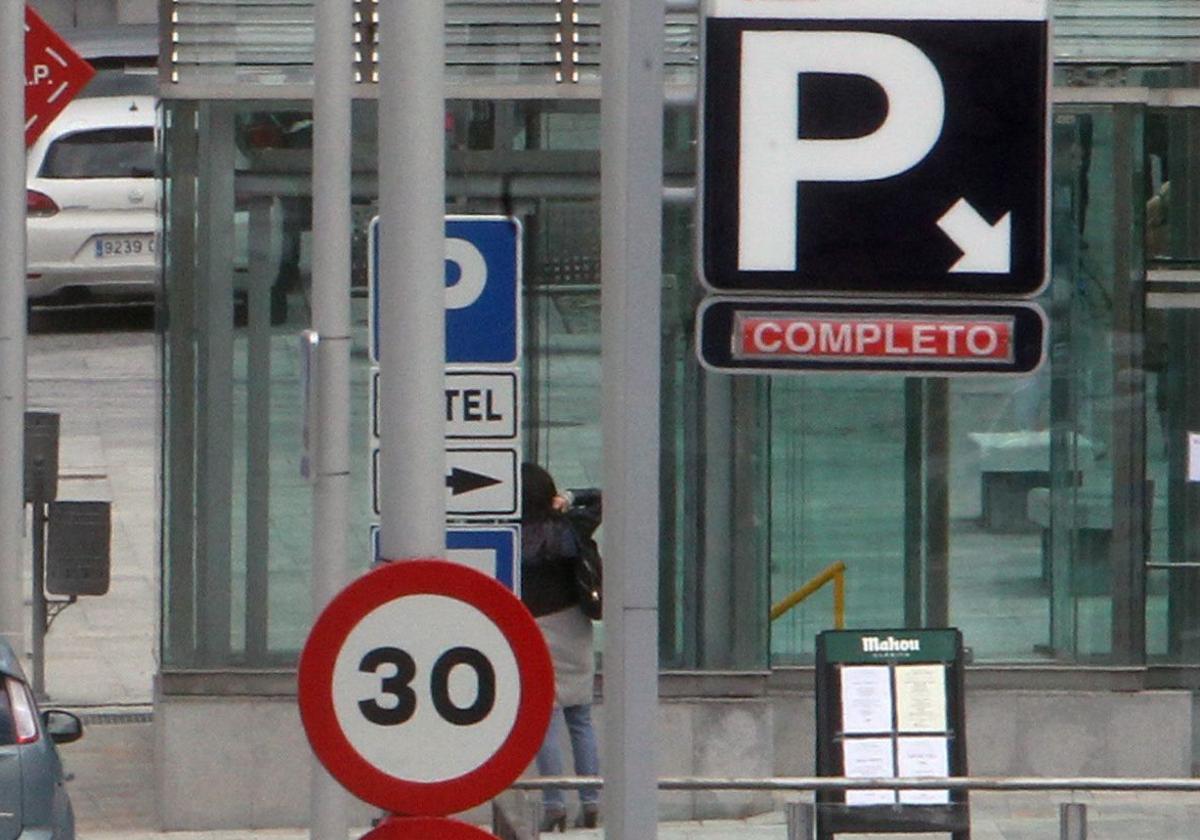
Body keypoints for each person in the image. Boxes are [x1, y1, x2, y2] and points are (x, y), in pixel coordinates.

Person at [519, 462, 601, 832]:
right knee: (580, 718)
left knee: (545, 720)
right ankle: (591, 798)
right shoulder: (570, 530)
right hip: (573, 624)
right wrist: (568, 500)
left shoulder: (513, 536)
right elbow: (602, 499)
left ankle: (554, 803)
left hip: (531, 625)